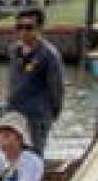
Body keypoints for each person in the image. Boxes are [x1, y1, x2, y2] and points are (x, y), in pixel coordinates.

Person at [6, 8, 64, 154]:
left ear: (39, 28)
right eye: (19, 27)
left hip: (37, 116)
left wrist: (52, 114)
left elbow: (57, 88)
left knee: (34, 154)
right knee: (11, 152)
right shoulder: (14, 50)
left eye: (29, 28)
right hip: (14, 111)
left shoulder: (49, 55)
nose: (23, 32)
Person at [0, 111, 46, 181]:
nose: (3, 133)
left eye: (10, 131)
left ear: (20, 137)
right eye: (0, 130)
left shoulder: (32, 161)